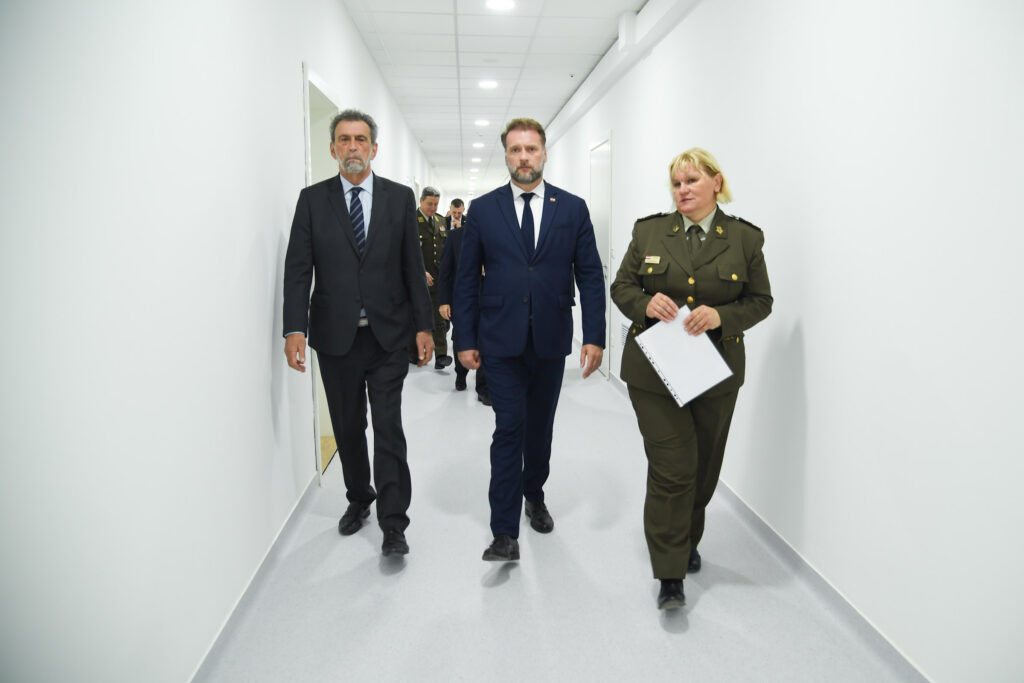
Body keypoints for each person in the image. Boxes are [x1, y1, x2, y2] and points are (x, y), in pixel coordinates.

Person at [610, 148, 772, 609]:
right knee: (673, 467)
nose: (682, 190)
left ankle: (684, 539)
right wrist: (645, 304)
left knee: (702, 470)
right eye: (676, 184)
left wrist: (722, 316)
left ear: (716, 182)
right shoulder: (649, 231)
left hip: (715, 373)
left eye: (691, 181)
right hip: (653, 372)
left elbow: (761, 301)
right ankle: (670, 573)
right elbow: (622, 287)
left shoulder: (744, 238)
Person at [283, 109, 435, 558]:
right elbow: (298, 270)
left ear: (374, 148)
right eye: (345, 139)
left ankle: (394, 522)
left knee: (388, 429)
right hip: (335, 339)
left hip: (388, 337)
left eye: (361, 139)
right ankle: (359, 497)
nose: (353, 146)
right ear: (332, 148)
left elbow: (412, 267)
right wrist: (294, 328)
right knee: (348, 427)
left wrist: (424, 326)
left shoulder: (397, 198)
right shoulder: (312, 200)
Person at [453, 117, 606, 562]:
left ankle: (534, 496)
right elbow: (466, 280)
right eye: (516, 150)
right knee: (509, 428)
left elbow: (590, 275)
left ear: (544, 153)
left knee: (539, 428)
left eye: (531, 149)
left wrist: (595, 335)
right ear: (506, 155)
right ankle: (503, 532)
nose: (524, 157)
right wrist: (464, 338)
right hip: (499, 338)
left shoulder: (572, 208)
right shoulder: (484, 209)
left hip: (551, 339)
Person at [438, 198, 490, 405]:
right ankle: (461, 373)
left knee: (486, 340)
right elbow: (445, 272)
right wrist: (444, 301)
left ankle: (483, 388)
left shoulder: (494, 238)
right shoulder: (455, 237)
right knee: (461, 338)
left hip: (489, 298)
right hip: (462, 299)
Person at [409, 186, 452, 370]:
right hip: (416, 280)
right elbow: (407, 251)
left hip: (437, 279)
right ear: (421, 201)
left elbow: (446, 250)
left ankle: (441, 355)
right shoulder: (410, 220)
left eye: (436, 204)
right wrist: (421, 271)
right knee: (416, 317)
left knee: (439, 317)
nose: (433, 207)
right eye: (429, 204)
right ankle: (414, 352)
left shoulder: (441, 221)